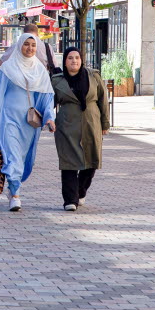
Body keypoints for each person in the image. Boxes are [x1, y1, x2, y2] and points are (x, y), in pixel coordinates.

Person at [0, 33, 56, 212]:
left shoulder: (40, 71)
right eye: (26, 44)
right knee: (13, 156)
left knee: (21, 159)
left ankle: (13, 187)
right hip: (7, 119)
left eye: (33, 45)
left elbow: (47, 98)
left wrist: (49, 118)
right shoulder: (8, 68)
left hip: (28, 124)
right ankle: (15, 194)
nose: (30, 48)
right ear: (19, 46)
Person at [51, 47, 110, 211]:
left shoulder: (93, 76)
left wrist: (105, 124)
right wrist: (47, 119)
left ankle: (81, 191)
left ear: (81, 60)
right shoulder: (57, 80)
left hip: (91, 122)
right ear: (65, 61)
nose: (74, 61)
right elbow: (49, 102)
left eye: (77, 57)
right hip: (67, 125)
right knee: (69, 162)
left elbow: (103, 100)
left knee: (92, 160)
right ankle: (70, 199)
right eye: (70, 58)